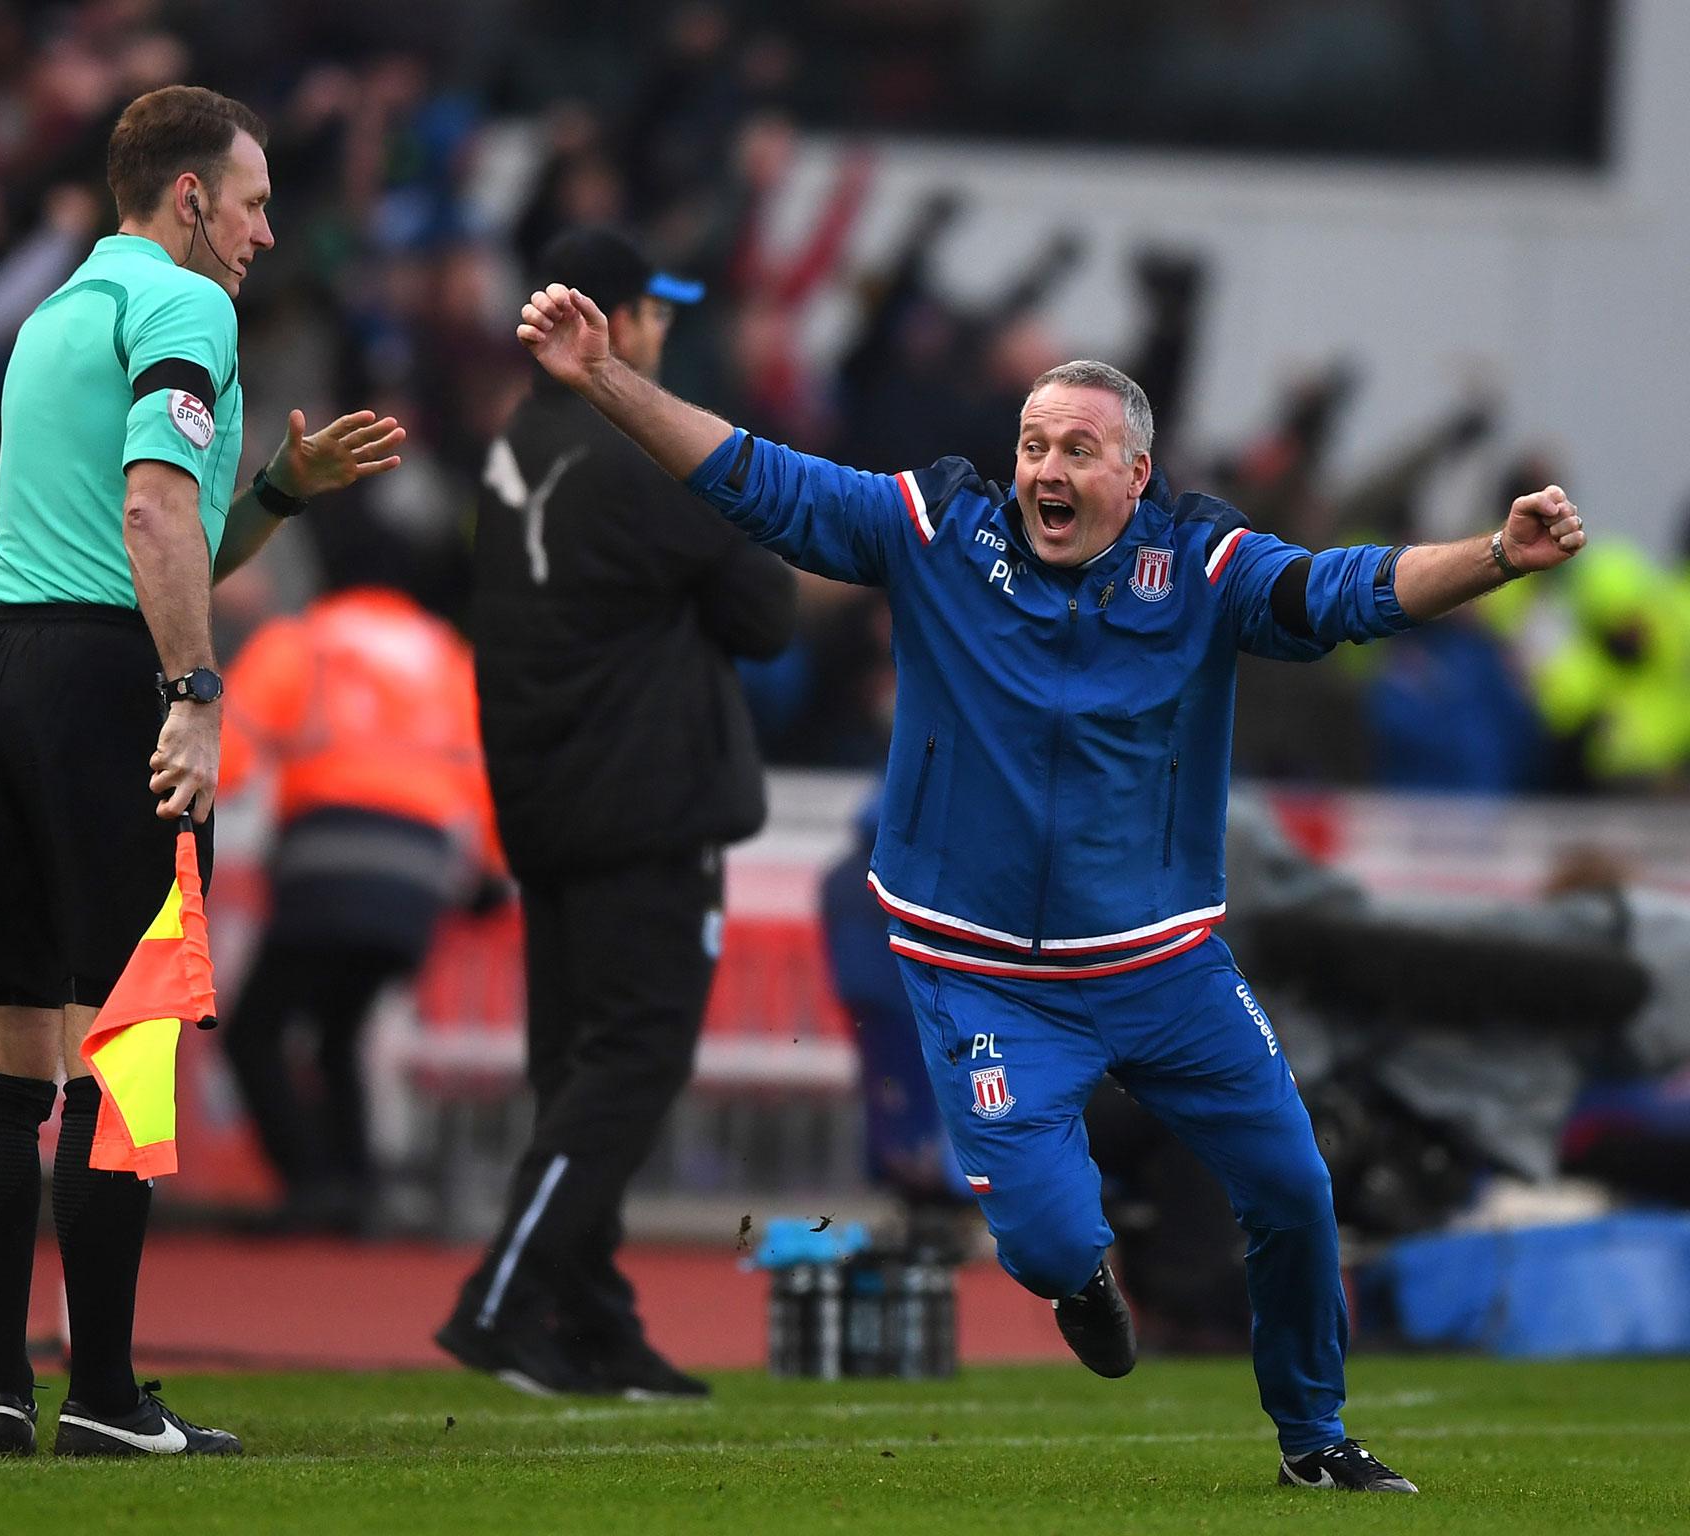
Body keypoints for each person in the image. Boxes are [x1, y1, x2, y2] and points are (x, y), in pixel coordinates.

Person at [505, 278, 1586, 1489]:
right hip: (982, 976)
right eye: (1030, 445)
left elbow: (1339, 592)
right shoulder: (932, 529)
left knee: (1292, 1185)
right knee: (1045, 1236)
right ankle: (1079, 1279)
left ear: (1134, 474)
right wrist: (603, 380)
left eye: (1076, 449)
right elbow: (761, 479)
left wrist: (1496, 556)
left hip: (1162, 966)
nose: (1043, 470)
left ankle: (1313, 1438)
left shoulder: (1203, 562)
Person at [0, 85, 404, 1458]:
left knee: (8, 1047)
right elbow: (147, 512)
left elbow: (149, 521)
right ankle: (109, 1396)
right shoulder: (189, 306)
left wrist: (272, 497)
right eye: (254, 202)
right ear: (191, 197)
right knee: (129, 1046)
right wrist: (197, 694)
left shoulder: (54, 315)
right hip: (101, 685)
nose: (268, 232)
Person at [435, 228, 797, 1398]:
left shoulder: (514, 443)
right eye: (653, 310)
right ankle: (502, 1298)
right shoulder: (639, 454)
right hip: (647, 809)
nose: (664, 329)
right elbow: (766, 612)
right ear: (617, 321)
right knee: (635, 1057)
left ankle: (590, 1317)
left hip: (544, 808)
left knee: (575, 1071)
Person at [218, 530, 502, 1235]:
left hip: (325, 861)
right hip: (417, 879)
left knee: (253, 1032)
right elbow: (488, 778)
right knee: (340, 1029)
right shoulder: (447, 658)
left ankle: (312, 1185)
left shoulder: (304, 640)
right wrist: (491, 872)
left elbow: (228, 751)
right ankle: (355, 1188)